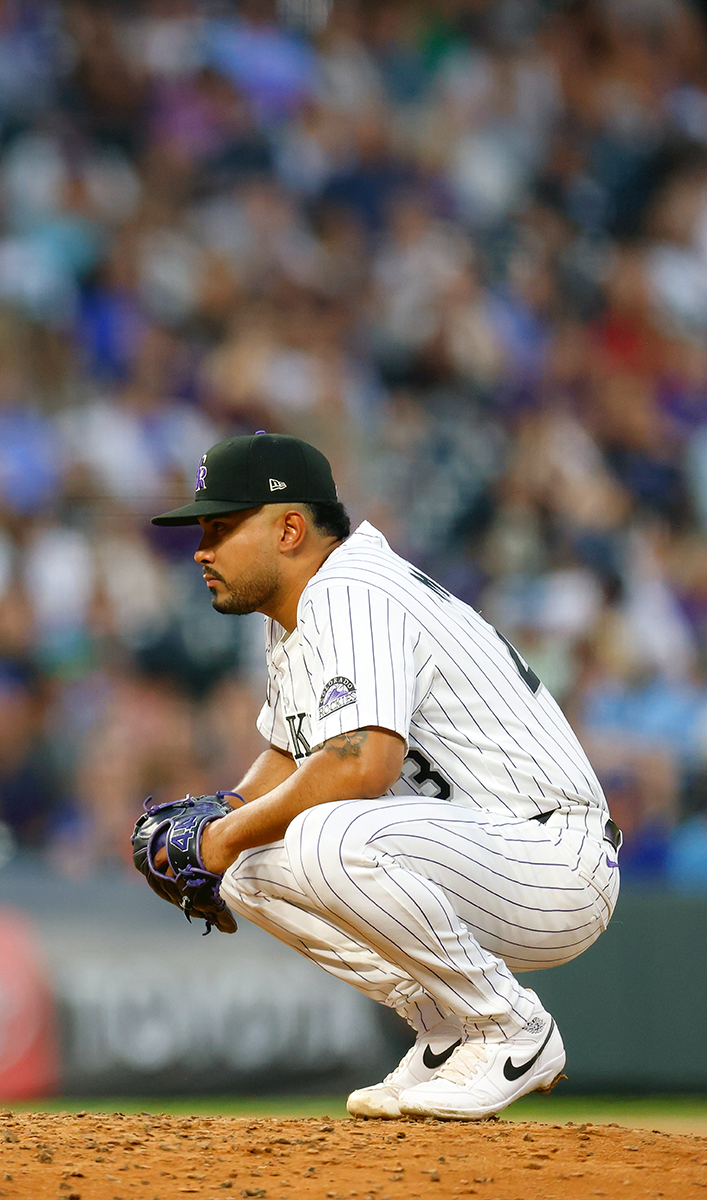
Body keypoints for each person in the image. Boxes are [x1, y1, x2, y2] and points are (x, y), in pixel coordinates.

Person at [148, 433, 620, 1121]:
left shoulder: (351, 588)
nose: (201, 549)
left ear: (289, 528)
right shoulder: (300, 610)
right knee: (249, 870)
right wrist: (222, 820)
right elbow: (291, 753)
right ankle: (444, 1028)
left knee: (322, 837)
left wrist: (217, 836)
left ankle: (511, 1028)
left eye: (221, 527)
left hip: (554, 858)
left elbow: (362, 762)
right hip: (480, 854)